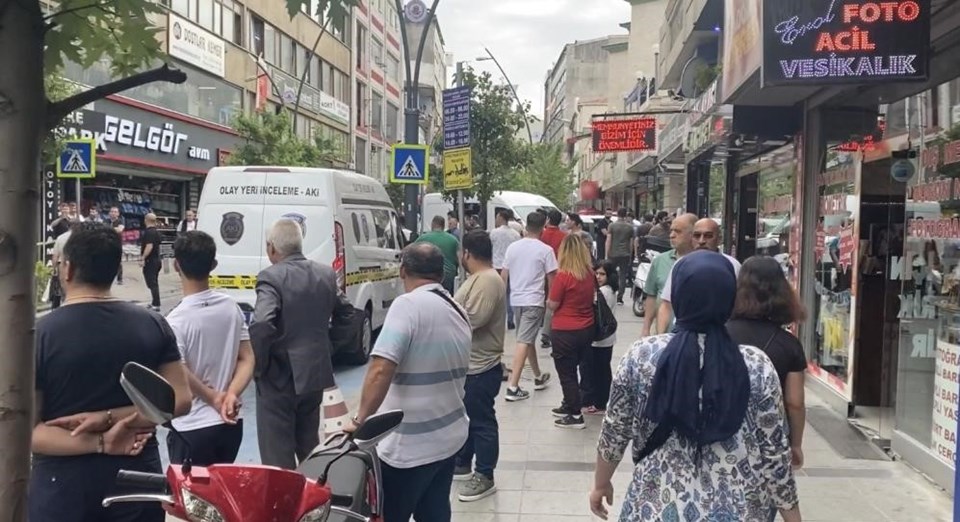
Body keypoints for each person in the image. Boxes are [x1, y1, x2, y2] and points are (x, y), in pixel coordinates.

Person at [590, 251, 800, 522]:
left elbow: (614, 433)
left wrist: (600, 483)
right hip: (739, 510)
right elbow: (774, 452)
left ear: (678, 294)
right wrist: (793, 517)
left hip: (655, 507)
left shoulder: (642, 356)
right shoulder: (756, 364)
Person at [31, 222, 192, 522]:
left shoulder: (40, 336)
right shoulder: (152, 324)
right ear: (115, 268)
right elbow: (180, 400)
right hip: (137, 480)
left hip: (62, 487)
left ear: (67, 269)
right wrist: (114, 416)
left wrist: (101, 437)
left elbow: (29, 432)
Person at [347, 243, 472, 521]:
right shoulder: (457, 310)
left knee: (392, 514)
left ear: (403, 270)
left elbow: (381, 369)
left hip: (411, 448)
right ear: (441, 274)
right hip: (448, 437)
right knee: (434, 512)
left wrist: (360, 420)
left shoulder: (408, 305)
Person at [250, 219, 342, 469]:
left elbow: (260, 324)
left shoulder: (271, 277)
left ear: (271, 248)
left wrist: (260, 366)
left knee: (277, 455)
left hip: (279, 377)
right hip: (314, 374)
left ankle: (285, 505)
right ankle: (313, 499)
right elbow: (347, 315)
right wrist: (328, 346)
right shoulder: (325, 274)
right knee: (309, 446)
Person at [166, 231, 255, 466]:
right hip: (231, 424)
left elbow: (180, 370)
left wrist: (213, 397)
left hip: (191, 427)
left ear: (176, 265)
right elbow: (247, 359)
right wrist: (231, 394)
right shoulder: (230, 307)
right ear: (213, 264)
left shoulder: (175, 320)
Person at [727, 256, 808, 468]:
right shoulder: (789, 345)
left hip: (724, 433)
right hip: (770, 439)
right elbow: (795, 403)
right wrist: (796, 444)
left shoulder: (718, 335)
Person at [452, 231, 506, 502]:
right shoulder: (479, 278)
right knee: (471, 417)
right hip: (471, 364)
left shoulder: (487, 280)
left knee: (482, 420)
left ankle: (485, 474)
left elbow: (475, 318)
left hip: (482, 366)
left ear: (467, 254)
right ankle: (464, 461)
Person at [501, 211, 555, 401]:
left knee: (527, 338)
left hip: (516, 300)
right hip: (534, 301)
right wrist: (553, 301)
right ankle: (513, 387)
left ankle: (538, 376)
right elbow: (552, 279)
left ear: (526, 225)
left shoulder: (512, 248)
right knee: (524, 341)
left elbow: (504, 275)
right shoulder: (545, 250)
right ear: (543, 227)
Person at [657, 218, 742, 333]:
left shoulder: (733, 266)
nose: (701, 241)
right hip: (683, 333)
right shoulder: (681, 265)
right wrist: (660, 337)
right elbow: (666, 305)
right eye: (697, 236)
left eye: (708, 236)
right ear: (691, 238)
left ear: (719, 239)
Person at [547, 235, 596, 429]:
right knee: (576, 369)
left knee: (566, 373)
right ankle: (570, 404)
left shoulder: (563, 276)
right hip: (586, 328)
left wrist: (547, 303)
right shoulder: (589, 274)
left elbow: (553, 304)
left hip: (565, 330)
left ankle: (575, 415)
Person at [641, 213, 695, 337]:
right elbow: (651, 295)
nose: (671, 235)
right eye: (671, 231)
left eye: (678, 231)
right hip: (663, 334)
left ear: (692, 234)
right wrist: (646, 328)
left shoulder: (702, 262)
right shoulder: (660, 260)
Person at [581, 260, 617, 416]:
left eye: (602, 274)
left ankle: (597, 402)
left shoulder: (602, 292)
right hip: (607, 338)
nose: (598, 276)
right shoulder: (611, 290)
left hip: (598, 338)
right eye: (596, 273)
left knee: (596, 372)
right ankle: (602, 401)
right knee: (603, 370)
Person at [491, 210, 521, 330]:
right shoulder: (515, 234)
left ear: (502, 218)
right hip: (510, 267)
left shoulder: (494, 233)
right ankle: (510, 319)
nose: (496, 219)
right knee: (509, 293)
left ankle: (497, 320)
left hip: (497, 266)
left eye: (497, 217)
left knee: (496, 295)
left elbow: (491, 246)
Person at [417, 215, 461, 294]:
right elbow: (460, 259)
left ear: (432, 224)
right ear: (443, 225)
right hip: (448, 276)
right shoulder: (453, 239)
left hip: (429, 275)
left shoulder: (423, 238)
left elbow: (409, 251)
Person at [606, 208, 635, 305]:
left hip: (613, 253)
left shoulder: (612, 225)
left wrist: (607, 253)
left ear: (617, 214)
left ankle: (611, 292)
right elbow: (631, 243)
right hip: (625, 254)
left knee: (610, 273)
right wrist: (630, 254)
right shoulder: (630, 227)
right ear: (626, 215)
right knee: (622, 276)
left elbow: (608, 240)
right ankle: (620, 298)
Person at [139, 213, 163, 311]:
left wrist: (143, 257)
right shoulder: (157, 232)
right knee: (153, 282)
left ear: (146, 220)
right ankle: (154, 302)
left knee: (152, 283)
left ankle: (156, 304)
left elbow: (149, 246)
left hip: (151, 261)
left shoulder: (149, 233)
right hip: (157, 260)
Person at [109, 206, 125, 285]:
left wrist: (108, 229)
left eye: (115, 212)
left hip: (117, 244)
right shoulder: (106, 221)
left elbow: (120, 229)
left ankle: (120, 279)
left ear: (118, 213)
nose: (113, 213)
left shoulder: (120, 221)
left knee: (118, 262)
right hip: (107, 243)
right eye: (112, 211)